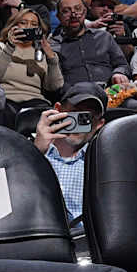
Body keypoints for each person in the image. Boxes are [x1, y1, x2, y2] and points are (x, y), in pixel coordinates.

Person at [32, 81, 106, 231]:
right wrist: (35, 153)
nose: (80, 122)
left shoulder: (102, 163)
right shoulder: (29, 152)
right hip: (38, 236)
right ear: (58, 110)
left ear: (99, 124)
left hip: (84, 244)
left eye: (88, 117)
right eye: (76, 112)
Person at [0, 8, 63, 111]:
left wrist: (51, 58)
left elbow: (53, 86)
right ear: (13, 26)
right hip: (5, 99)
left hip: (35, 102)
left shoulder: (40, 53)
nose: (29, 27)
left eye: (34, 24)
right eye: (23, 23)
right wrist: (10, 47)